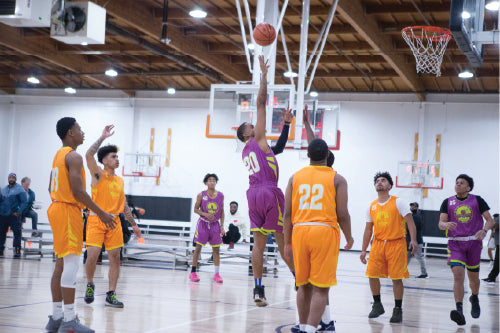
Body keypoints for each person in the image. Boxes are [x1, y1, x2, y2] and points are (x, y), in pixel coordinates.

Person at [45, 117, 116, 333]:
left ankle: (56, 318)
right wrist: (101, 212)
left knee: (60, 264)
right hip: (67, 210)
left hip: (57, 208)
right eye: (79, 128)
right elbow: (78, 192)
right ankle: (68, 321)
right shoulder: (74, 156)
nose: (82, 132)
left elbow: (50, 186)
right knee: (72, 265)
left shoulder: (59, 155)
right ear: (70, 133)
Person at [236, 55, 294, 306]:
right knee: (283, 241)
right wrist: (263, 75)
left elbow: (278, 148)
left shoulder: (250, 149)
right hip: (269, 192)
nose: (255, 122)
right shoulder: (257, 137)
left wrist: (287, 125)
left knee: (258, 245)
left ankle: (258, 290)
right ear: (247, 132)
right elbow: (261, 101)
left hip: (252, 195)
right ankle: (298, 279)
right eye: (251, 123)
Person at [284, 138, 353, 333]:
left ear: (307, 155)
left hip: (299, 231)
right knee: (321, 287)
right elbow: (342, 214)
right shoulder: (338, 179)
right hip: (323, 231)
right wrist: (349, 237)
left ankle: (303, 325)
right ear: (328, 156)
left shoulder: (294, 178)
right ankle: (310, 329)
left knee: (303, 284)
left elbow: (287, 214)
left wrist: (287, 242)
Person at [83, 125, 142, 308]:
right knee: (92, 255)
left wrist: (133, 223)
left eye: (117, 156)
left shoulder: (119, 180)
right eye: (113, 157)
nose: (117, 159)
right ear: (104, 161)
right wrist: (102, 137)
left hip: (115, 222)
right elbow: (88, 155)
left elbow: (123, 205)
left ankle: (111, 294)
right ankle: (90, 284)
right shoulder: (98, 174)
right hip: (96, 219)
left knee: (115, 257)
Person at [360, 172, 418, 323]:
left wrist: (413, 240)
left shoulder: (399, 202)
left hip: (396, 243)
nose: (379, 182)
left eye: (383, 180)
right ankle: (377, 304)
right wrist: (363, 249)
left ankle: (398, 309)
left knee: (396, 278)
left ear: (389, 185)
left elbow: (410, 223)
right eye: (377, 181)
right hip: (378, 244)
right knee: (372, 274)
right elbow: (368, 230)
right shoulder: (371, 206)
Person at [438, 174, 495, 326]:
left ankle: (474, 297)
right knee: (458, 275)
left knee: (473, 279)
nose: (458, 184)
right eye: (456, 182)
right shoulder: (447, 201)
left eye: (461, 183)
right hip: (455, 244)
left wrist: (484, 230)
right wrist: (445, 225)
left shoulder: (477, 200)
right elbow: (440, 223)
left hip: (473, 243)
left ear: (468, 187)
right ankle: (459, 311)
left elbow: (490, 220)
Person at [190, 173, 225, 283]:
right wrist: (205, 214)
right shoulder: (201, 195)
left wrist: (222, 226)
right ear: (206, 182)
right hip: (203, 224)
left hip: (215, 225)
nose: (212, 181)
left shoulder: (221, 195)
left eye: (214, 180)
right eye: (210, 180)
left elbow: (222, 211)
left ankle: (217, 274)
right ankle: (193, 272)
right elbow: (195, 209)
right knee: (198, 248)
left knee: (216, 250)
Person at [0, 173, 27, 258]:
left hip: (14, 216)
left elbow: (24, 202)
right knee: (1, 233)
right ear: (8, 179)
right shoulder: (4, 189)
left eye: (13, 178)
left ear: (15, 179)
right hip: (3, 215)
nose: (11, 179)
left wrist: (19, 211)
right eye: (10, 178)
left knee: (17, 233)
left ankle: (17, 251)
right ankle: (0, 250)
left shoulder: (20, 189)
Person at [406, 202, 428, 278]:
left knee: (419, 257)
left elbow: (412, 228)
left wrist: (413, 240)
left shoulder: (416, 217)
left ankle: (424, 273)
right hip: (410, 241)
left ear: (417, 207)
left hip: (416, 241)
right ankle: (402, 271)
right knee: (407, 256)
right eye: (411, 206)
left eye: (413, 206)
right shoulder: (413, 216)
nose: (412, 207)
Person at [483, 214, 499, 283]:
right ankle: (491, 277)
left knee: (498, 261)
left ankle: (492, 277)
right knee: (497, 261)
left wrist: (492, 224)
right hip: (498, 242)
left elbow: (497, 226)